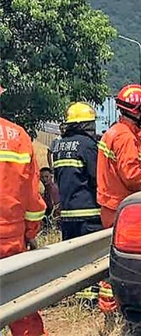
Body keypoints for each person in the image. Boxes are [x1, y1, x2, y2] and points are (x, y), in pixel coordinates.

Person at [97, 84, 141, 314]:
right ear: (139, 111)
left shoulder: (121, 132)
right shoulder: (125, 137)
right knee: (122, 260)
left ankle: (111, 307)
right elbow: (132, 176)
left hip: (112, 204)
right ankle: (110, 309)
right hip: (120, 206)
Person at [0, 84, 48, 336]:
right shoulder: (18, 136)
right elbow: (32, 199)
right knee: (21, 310)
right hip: (12, 240)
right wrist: (29, 233)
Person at [52, 102, 101, 240]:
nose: (93, 128)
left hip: (67, 215)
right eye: (90, 124)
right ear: (82, 125)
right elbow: (97, 178)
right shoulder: (88, 145)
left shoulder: (58, 146)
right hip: (89, 216)